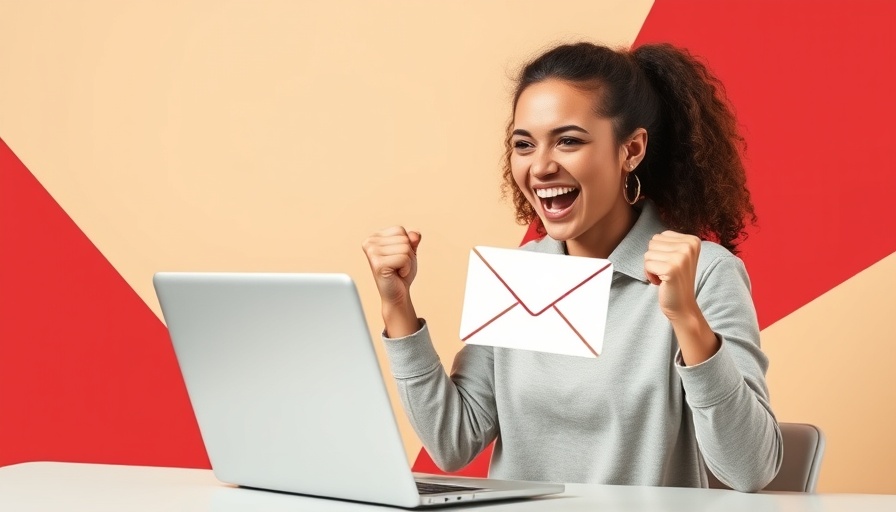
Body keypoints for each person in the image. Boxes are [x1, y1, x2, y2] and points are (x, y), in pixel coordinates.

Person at [361, 42, 783, 493]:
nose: (540, 166)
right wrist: (397, 306)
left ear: (631, 150)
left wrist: (687, 320)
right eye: (524, 144)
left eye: (568, 140)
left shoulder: (703, 272)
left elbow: (751, 469)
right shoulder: (519, 277)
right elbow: (453, 442)